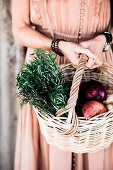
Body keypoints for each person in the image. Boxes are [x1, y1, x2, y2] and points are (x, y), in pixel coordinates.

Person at [11, 0, 113, 170]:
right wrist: (58, 46)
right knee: (48, 146)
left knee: (96, 137)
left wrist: (103, 40)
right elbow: (20, 29)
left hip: (95, 62)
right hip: (47, 69)